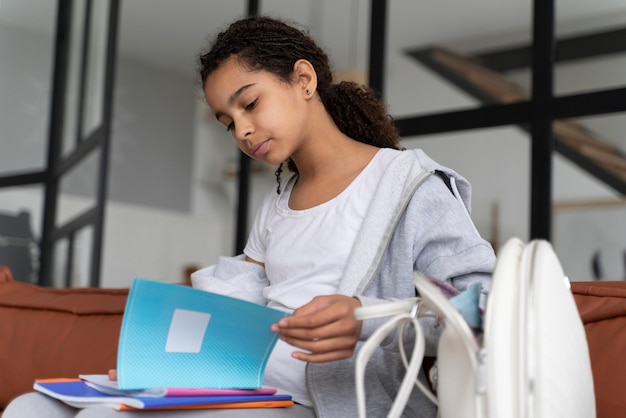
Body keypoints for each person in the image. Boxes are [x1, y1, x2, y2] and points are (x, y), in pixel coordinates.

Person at [4, 15, 495, 418]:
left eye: (251, 103)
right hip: (244, 386)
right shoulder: (276, 208)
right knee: (30, 408)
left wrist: (363, 319)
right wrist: (158, 368)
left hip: (322, 403)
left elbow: (482, 311)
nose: (241, 130)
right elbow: (234, 315)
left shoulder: (411, 187)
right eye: (227, 121)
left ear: (303, 80)